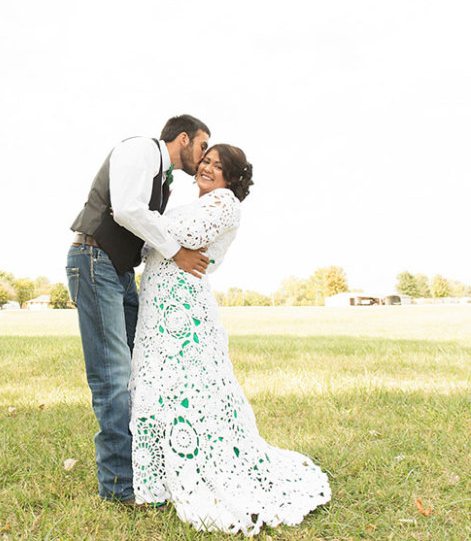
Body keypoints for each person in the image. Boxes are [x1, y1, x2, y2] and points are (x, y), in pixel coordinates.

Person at [129, 145, 331, 535]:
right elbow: (149, 244)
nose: (207, 168)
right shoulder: (193, 203)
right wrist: (153, 230)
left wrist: (143, 219)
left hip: (182, 313)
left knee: (184, 389)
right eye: (205, 161)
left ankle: (192, 469)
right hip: (160, 308)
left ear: (233, 178)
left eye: (218, 166)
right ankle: (157, 479)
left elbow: (184, 235)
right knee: (155, 386)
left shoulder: (225, 204)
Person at [66, 114, 211, 504]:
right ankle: (118, 486)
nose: (204, 155)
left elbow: (146, 232)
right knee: (112, 376)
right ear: (183, 138)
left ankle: (146, 468)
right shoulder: (141, 150)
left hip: (119, 271)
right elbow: (128, 210)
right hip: (95, 261)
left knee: (142, 369)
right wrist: (178, 252)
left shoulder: (162, 179)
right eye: (202, 146)